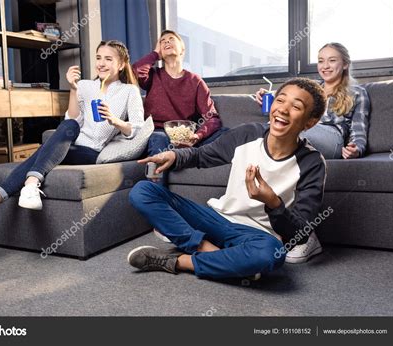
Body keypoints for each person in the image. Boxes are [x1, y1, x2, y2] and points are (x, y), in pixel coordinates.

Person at [127, 78, 327, 281]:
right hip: (216, 219)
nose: (283, 109)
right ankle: (210, 253)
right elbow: (201, 155)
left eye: (296, 107)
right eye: (280, 100)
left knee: (270, 255)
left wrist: (273, 202)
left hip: (256, 236)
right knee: (142, 191)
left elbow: (300, 231)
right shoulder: (248, 133)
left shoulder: (312, 163)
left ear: (310, 122)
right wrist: (175, 156)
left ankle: (179, 261)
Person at [0, 40, 144, 222]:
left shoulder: (129, 91)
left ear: (121, 64)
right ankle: (25, 186)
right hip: (71, 142)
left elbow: (136, 128)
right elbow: (73, 120)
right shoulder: (85, 85)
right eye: (98, 57)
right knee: (68, 126)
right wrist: (73, 88)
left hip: (92, 150)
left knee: (43, 151)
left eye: (108, 59)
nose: (101, 63)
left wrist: (115, 121)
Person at [255, 43, 370, 264]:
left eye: (332, 60)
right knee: (267, 141)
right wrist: (268, 97)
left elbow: (359, 131)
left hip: (331, 137)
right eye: (320, 60)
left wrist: (356, 148)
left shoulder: (357, 92)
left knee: (285, 133)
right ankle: (274, 227)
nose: (325, 66)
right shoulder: (308, 90)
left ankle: (303, 236)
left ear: (345, 64)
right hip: (301, 132)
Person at [133, 30, 227, 185]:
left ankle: (186, 154)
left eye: (171, 39)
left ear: (182, 49)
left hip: (186, 137)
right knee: (159, 140)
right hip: (159, 133)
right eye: (162, 41)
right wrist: (155, 54)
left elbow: (212, 118)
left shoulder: (195, 81)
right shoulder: (153, 76)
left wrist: (197, 136)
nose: (166, 42)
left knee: (226, 134)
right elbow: (136, 70)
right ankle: (155, 198)